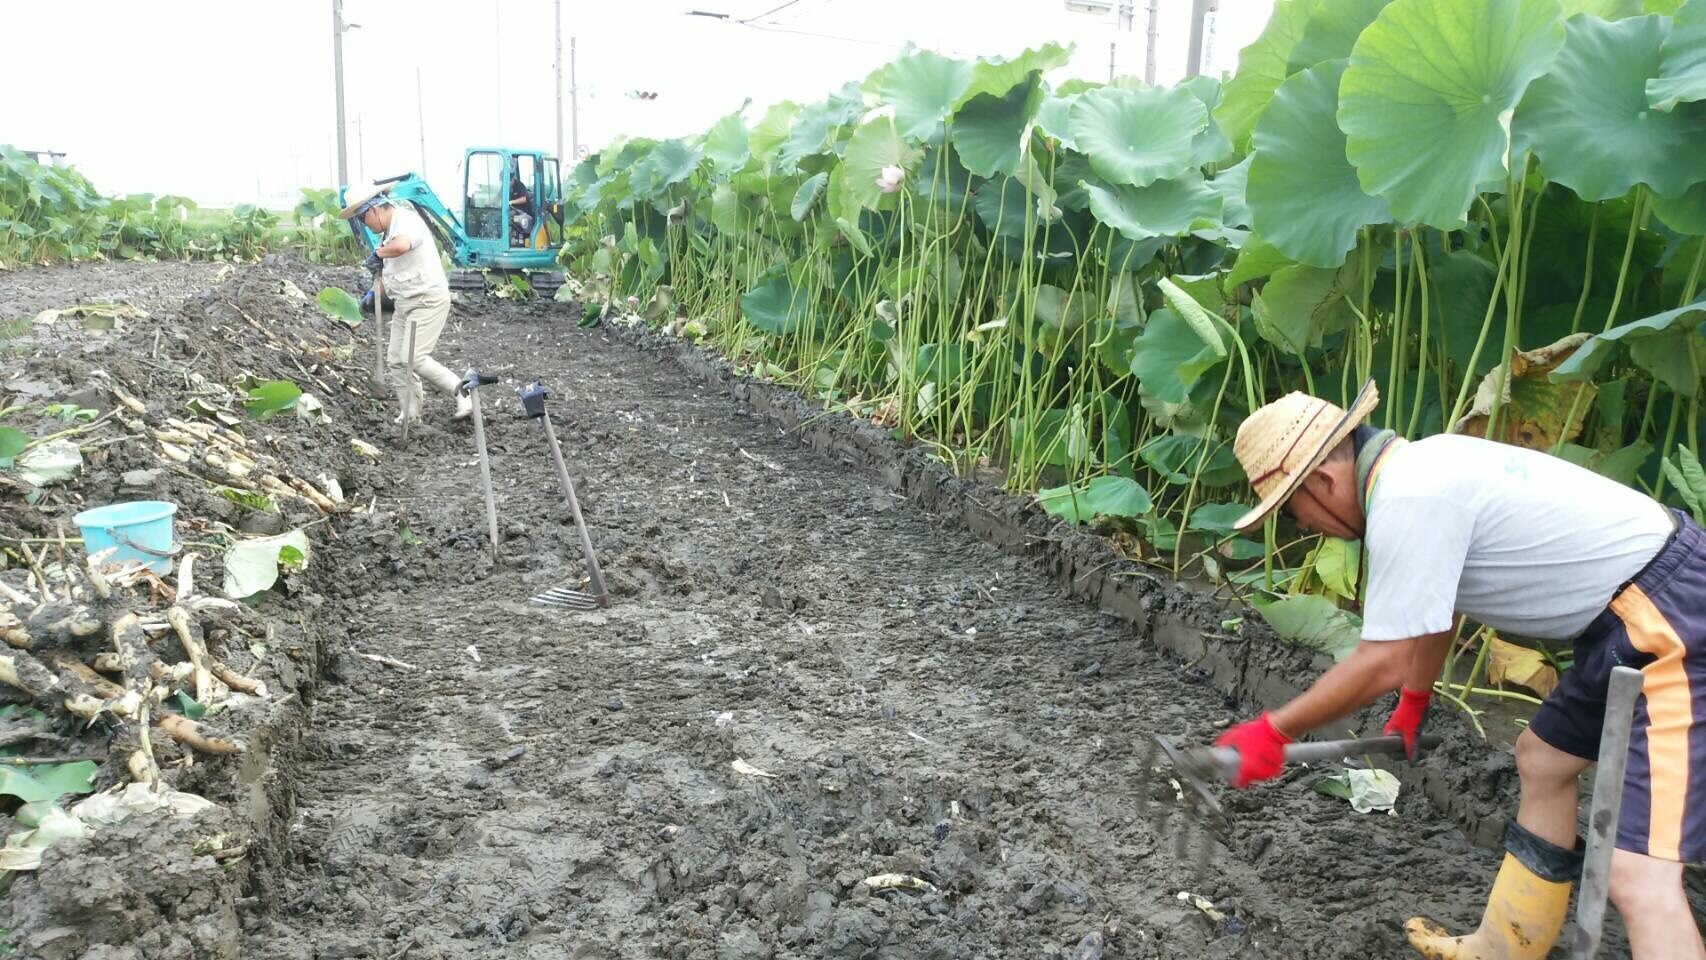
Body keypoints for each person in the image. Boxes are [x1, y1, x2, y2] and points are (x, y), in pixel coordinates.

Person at [1216, 381, 1704, 960]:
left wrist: (1274, 731)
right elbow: (1439, 606)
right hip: (1624, 622)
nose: (1306, 528)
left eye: (1296, 515)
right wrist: (1415, 702)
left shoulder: (1409, 499)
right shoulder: (1423, 471)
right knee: (1542, 760)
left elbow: (1382, 660)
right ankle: (1505, 947)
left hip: (1671, 620)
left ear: (1322, 483)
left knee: (1636, 877)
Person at [339, 182, 470, 423]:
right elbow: (387, 275)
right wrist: (370, 296)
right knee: (396, 360)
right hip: (405, 303)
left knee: (414, 357)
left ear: (373, 211)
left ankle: (463, 391)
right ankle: (410, 413)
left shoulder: (406, 221)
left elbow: (401, 246)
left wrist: (379, 255)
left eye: (362, 218)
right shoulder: (385, 237)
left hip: (427, 299)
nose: (364, 224)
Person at [507, 166, 533, 248]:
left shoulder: (520, 186)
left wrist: (511, 202)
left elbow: (524, 199)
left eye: (508, 181)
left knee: (508, 216)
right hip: (511, 209)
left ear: (512, 180)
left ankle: (514, 240)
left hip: (522, 211)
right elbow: (498, 196)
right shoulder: (505, 187)